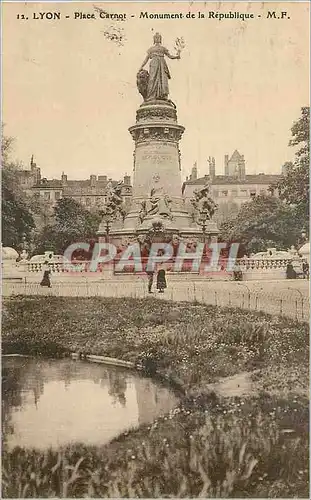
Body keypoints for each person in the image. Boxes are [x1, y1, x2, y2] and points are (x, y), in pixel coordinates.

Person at [138, 33, 180, 101]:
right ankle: (151, 96)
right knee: (152, 78)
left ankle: (162, 95)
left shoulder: (163, 49)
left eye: (159, 38)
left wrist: (176, 56)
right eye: (156, 38)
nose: (157, 39)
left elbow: (170, 56)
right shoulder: (151, 49)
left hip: (162, 65)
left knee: (162, 79)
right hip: (154, 64)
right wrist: (141, 67)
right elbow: (146, 59)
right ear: (154, 39)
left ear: (160, 39)